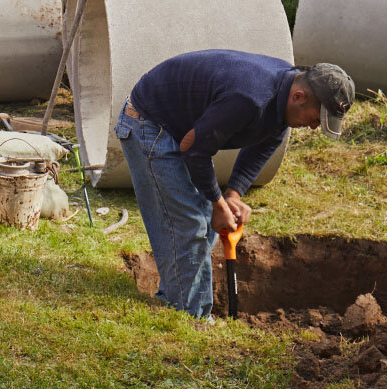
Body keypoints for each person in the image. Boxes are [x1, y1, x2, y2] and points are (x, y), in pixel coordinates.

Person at [115, 49, 355, 319]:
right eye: (314, 118)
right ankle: (191, 317)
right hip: (149, 123)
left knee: (204, 221)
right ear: (298, 97)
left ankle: (175, 298)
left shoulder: (284, 95)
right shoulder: (251, 97)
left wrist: (233, 194)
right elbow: (193, 148)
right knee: (190, 221)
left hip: (179, 126)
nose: (313, 127)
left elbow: (267, 142)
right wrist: (217, 204)